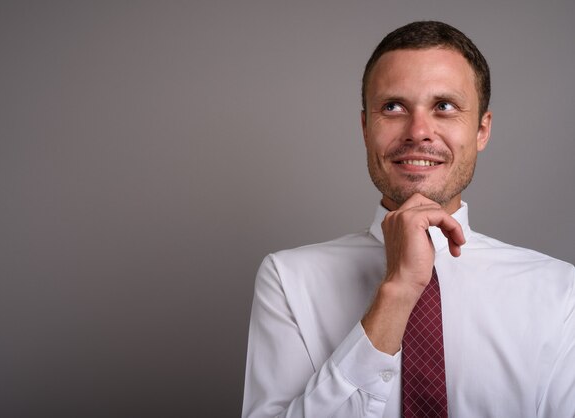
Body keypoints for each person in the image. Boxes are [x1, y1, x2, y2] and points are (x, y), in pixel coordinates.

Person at [242, 21, 575, 418]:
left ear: (482, 130)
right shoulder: (287, 279)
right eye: (393, 107)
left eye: (444, 107)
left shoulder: (560, 292)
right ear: (366, 128)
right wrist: (397, 293)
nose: (418, 132)